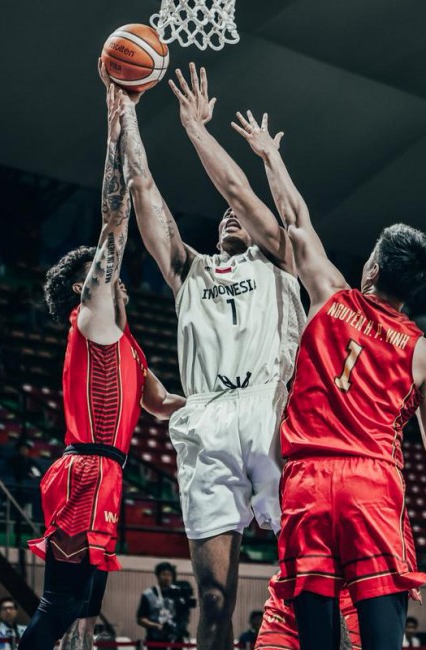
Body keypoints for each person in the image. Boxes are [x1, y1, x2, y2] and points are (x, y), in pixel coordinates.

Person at [230, 110, 426, 650]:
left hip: (307, 480)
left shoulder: (331, 293)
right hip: (372, 485)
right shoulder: (425, 354)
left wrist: (271, 155)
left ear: (373, 271)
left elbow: (296, 220)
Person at [119, 63, 307, 650]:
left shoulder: (282, 260)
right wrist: (124, 112)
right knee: (216, 599)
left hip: (273, 411)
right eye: (223, 219)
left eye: (242, 219)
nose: (230, 217)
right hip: (206, 419)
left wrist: (196, 127)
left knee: (314, 584)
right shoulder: (189, 270)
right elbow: (144, 190)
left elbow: (238, 192)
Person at [20, 77, 185, 650]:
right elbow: (114, 222)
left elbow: (163, 404)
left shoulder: (130, 345)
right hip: (85, 469)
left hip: (107, 473)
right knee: (62, 601)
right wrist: (116, 130)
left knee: (87, 607)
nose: (119, 280)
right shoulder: (93, 321)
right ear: (91, 286)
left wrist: (233, 402)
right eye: (106, 275)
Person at [136, 562, 191, 643]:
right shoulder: (148, 594)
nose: (167, 578)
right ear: (158, 576)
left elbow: (185, 615)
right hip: (155, 639)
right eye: (164, 574)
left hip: (176, 639)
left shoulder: (179, 592)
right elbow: (141, 619)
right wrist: (157, 626)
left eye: (169, 575)